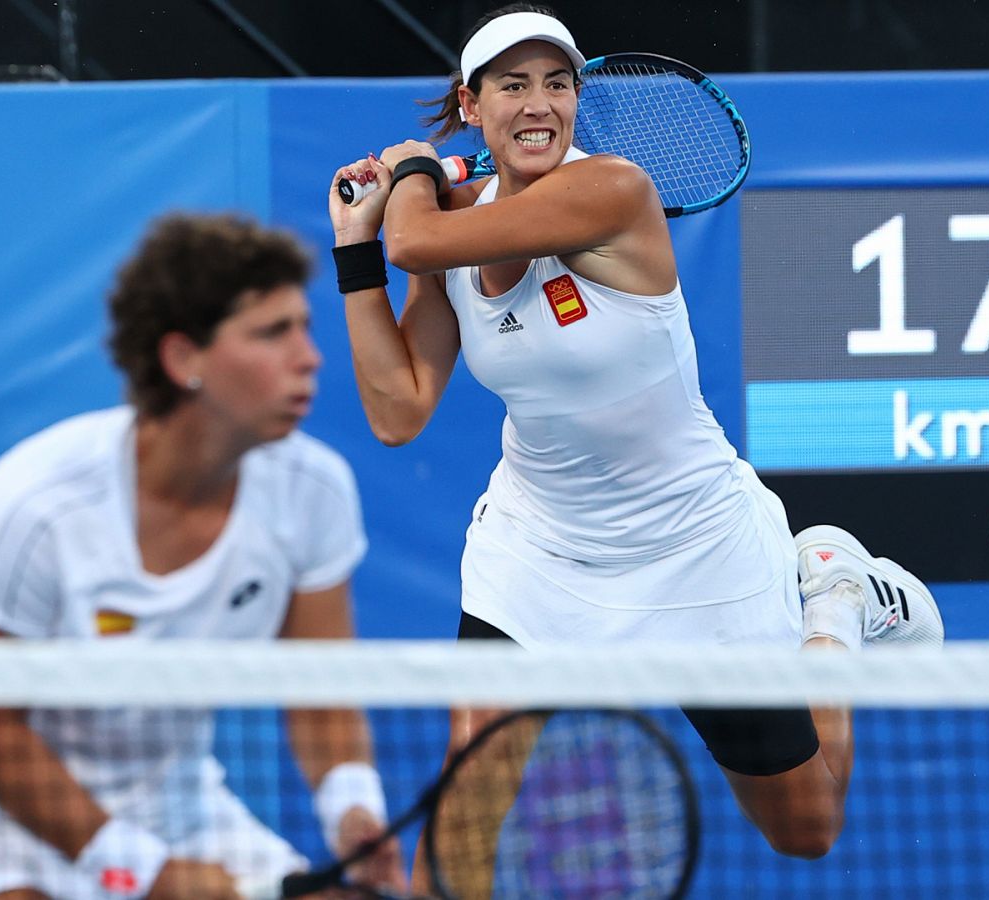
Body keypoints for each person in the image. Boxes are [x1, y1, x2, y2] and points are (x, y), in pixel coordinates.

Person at [326, 1, 945, 890]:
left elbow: (416, 235)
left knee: (806, 826)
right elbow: (399, 410)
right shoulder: (459, 229)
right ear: (473, 103)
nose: (539, 104)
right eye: (512, 85)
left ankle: (836, 604)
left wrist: (412, 170)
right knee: (455, 843)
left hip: (697, 545)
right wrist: (356, 249)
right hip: (539, 550)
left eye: (557, 83)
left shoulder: (610, 189)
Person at [0, 214, 405, 899]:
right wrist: (138, 870)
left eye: (303, 328)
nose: (310, 356)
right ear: (183, 358)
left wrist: (353, 811)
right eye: (272, 333)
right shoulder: (40, 501)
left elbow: (320, 693)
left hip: (178, 809)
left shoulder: (314, 491)